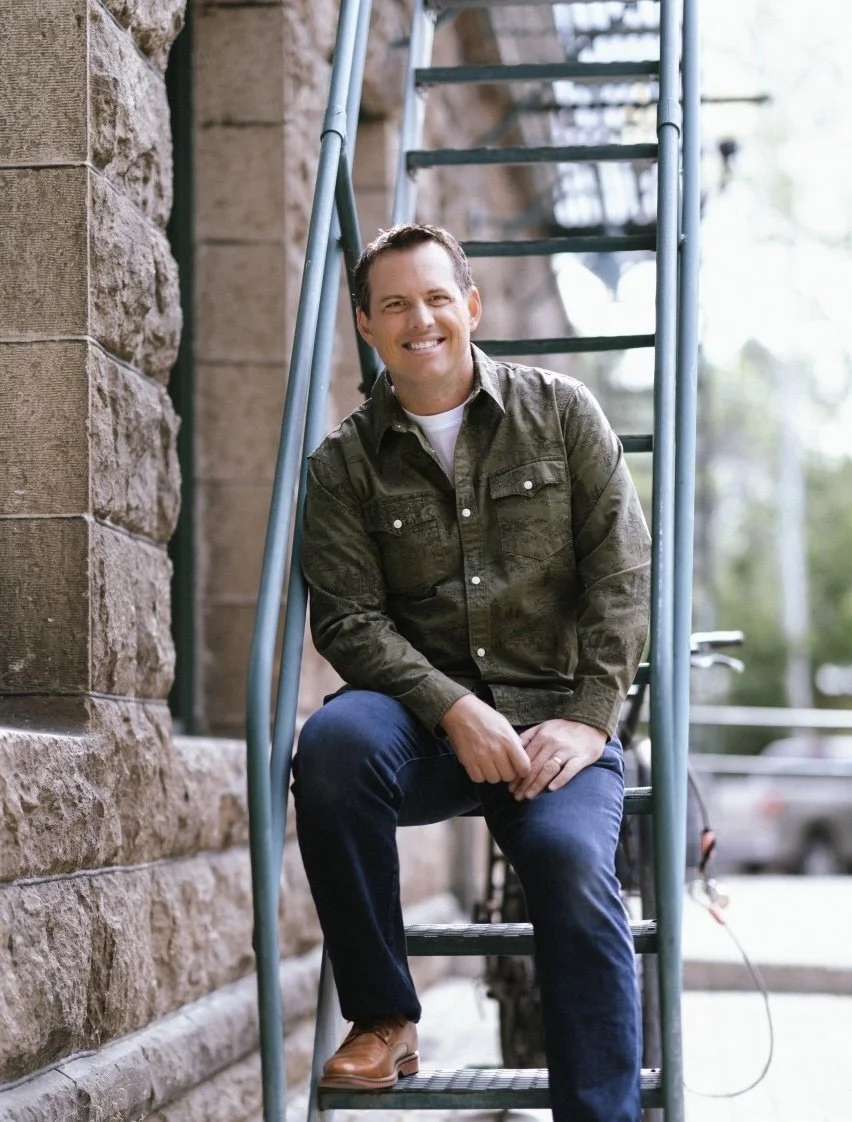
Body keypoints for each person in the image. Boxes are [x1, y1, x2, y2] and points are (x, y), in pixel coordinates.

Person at [292, 223, 651, 1122]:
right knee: (331, 746)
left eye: (437, 298)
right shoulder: (340, 466)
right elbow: (348, 619)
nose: (422, 320)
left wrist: (592, 716)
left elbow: (622, 573)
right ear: (366, 327)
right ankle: (383, 1018)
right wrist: (451, 708)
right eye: (396, 305)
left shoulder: (562, 414)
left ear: (473, 306)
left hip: (554, 728)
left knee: (572, 870)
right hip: (421, 728)